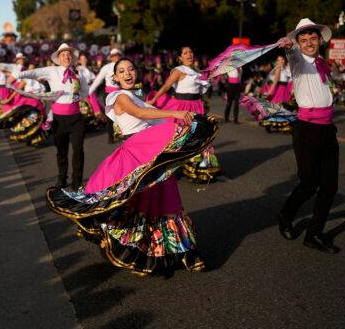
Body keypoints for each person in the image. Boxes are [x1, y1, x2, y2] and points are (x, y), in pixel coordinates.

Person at [47, 59, 219, 275]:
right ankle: (132, 244)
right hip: (136, 153)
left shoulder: (135, 95)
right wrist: (173, 114)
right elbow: (140, 114)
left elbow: (150, 117)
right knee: (130, 199)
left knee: (162, 200)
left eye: (130, 69)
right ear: (115, 78)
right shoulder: (118, 96)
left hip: (151, 151)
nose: (127, 73)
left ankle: (175, 250)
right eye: (121, 71)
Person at [277, 18, 340, 253]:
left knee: (330, 187)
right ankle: (285, 216)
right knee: (309, 183)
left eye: (312, 38)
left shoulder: (322, 62)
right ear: (299, 44)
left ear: (319, 40)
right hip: (307, 130)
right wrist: (289, 45)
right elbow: (292, 53)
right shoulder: (298, 60)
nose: (309, 42)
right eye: (303, 40)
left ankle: (313, 234)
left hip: (327, 129)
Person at [14, 43, 88, 189]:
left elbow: (86, 91)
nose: (66, 57)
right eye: (63, 55)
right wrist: (16, 75)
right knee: (61, 151)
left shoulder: (79, 74)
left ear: (72, 58)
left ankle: (77, 181)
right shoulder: (51, 71)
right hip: (59, 119)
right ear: (59, 59)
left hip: (76, 118)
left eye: (68, 54)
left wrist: (79, 99)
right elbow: (34, 73)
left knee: (78, 150)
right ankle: (62, 178)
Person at [147, 46, 221, 182]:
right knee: (182, 137)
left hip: (197, 106)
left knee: (199, 136)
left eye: (191, 52)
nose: (189, 54)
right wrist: (153, 99)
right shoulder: (178, 71)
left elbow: (201, 91)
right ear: (180, 57)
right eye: (185, 53)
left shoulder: (198, 72)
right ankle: (175, 168)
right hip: (183, 106)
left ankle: (201, 168)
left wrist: (208, 81)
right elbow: (165, 87)